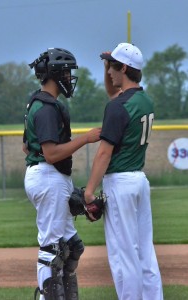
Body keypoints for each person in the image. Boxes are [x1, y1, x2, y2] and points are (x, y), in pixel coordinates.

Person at [84, 43, 163, 300]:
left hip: (120, 183)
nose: (109, 73)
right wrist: (108, 62)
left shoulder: (118, 107)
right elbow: (114, 95)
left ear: (125, 68)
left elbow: (104, 153)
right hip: (139, 181)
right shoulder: (145, 100)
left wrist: (88, 191)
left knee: (123, 255)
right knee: (144, 254)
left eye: (113, 67)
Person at [23, 47, 101, 300]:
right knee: (53, 248)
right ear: (54, 73)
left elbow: (26, 146)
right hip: (48, 174)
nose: (69, 78)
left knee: (72, 247)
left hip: (51, 177)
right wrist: (85, 139)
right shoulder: (45, 107)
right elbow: (51, 154)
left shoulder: (39, 102)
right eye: (66, 72)